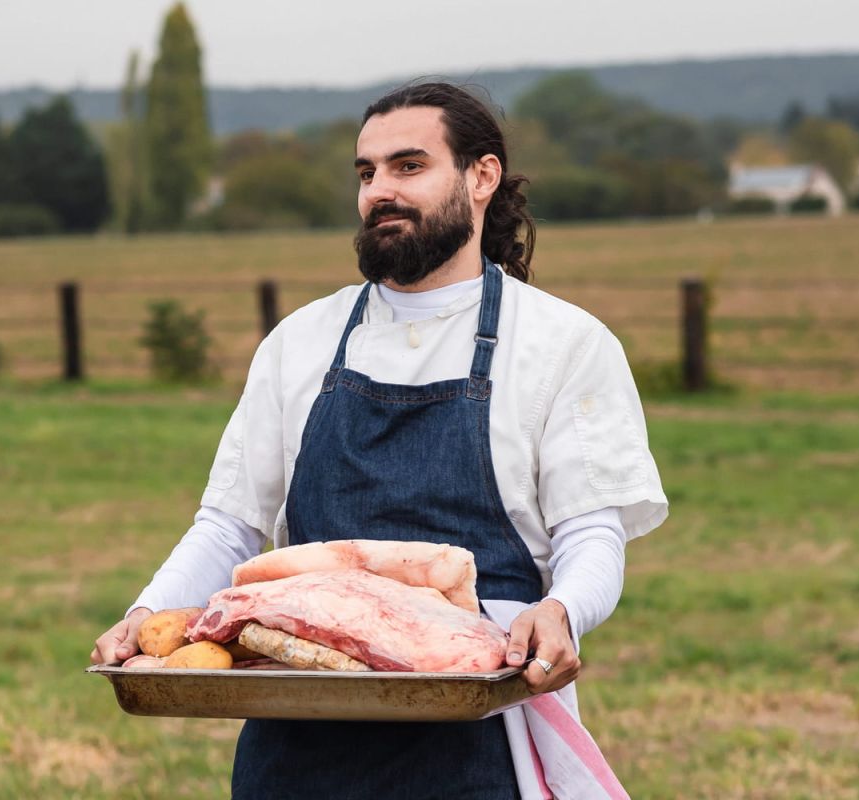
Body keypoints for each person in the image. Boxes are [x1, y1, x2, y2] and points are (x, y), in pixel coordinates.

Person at [92, 82, 667, 799]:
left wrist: (562, 612)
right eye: (366, 174)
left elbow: (592, 533)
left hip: (479, 740)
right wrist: (145, 614)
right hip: (299, 738)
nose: (378, 192)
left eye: (407, 167)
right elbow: (230, 526)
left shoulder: (561, 344)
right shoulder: (300, 343)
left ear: (480, 177)